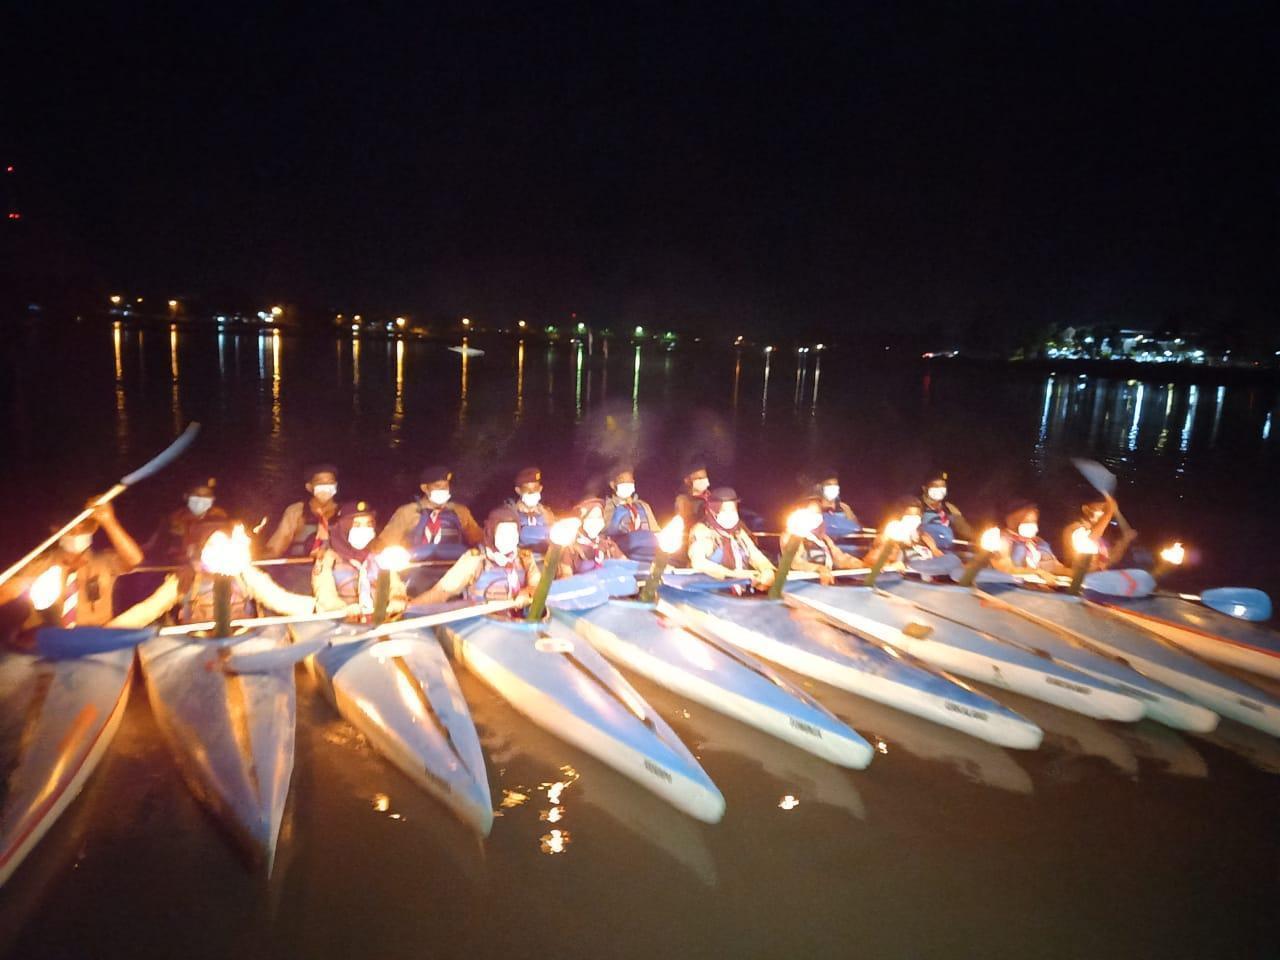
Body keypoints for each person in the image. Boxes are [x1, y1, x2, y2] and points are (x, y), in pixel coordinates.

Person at [112, 520, 316, 627]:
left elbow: (282, 600)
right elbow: (147, 610)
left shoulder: (246, 574)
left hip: (241, 636)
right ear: (201, 550)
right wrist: (108, 631)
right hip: (196, 639)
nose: (219, 552)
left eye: (223, 544)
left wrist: (319, 609)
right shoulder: (184, 580)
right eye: (212, 545)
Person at [0, 502, 145, 636]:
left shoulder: (105, 561)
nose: (77, 532)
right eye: (71, 527)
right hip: (47, 640)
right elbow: (5, 593)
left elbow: (134, 559)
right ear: (56, 530)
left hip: (95, 639)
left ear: (94, 529)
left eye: (85, 527)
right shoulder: (38, 564)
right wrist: (18, 587)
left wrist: (109, 521)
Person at [412, 507, 542, 605]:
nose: (509, 539)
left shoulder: (525, 557)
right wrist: (411, 607)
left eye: (513, 533)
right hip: (483, 622)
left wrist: (527, 592)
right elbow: (442, 592)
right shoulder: (474, 559)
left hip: (518, 621)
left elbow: (537, 585)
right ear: (491, 534)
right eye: (503, 533)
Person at [314, 502, 408, 620]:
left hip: (382, 620)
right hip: (341, 622)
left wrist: (396, 600)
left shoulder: (380, 554)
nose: (364, 530)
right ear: (344, 526)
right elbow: (325, 597)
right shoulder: (328, 557)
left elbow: (395, 585)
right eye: (357, 525)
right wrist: (344, 609)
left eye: (368, 524)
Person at [374, 465, 483, 560]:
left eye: (446, 486)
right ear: (425, 488)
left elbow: (478, 539)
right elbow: (385, 543)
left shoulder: (460, 511)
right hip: (413, 568)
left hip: (454, 568)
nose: (443, 489)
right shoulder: (407, 512)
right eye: (437, 486)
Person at [687, 487, 775, 589]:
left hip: (741, 591)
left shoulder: (739, 532)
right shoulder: (703, 531)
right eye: (724, 510)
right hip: (711, 590)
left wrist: (767, 570)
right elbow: (699, 562)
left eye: (732, 510)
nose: (730, 514)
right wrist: (733, 575)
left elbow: (756, 555)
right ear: (713, 511)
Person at [263, 464, 341, 559]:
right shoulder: (296, 511)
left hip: (335, 566)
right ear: (309, 487)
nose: (325, 486)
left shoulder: (344, 512)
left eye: (330, 482)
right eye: (320, 482)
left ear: (335, 485)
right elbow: (277, 545)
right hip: (299, 565)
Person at [143, 478, 227, 563]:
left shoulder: (221, 519)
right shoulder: (173, 520)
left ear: (213, 498)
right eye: (196, 494)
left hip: (212, 566)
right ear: (186, 496)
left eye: (206, 495)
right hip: (178, 566)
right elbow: (155, 547)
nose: (201, 499)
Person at [782, 498, 865, 584]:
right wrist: (819, 568)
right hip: (802, 584)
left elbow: (840, 558)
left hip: (825, 583)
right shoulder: (792, 536)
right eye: (811, 513)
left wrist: (863, 564)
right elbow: (794, 563)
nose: (816, 516)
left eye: (818, 513)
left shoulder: (824, 539)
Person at [993, 502, 1070, 583]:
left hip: (1040, 587)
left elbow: (1055, 567)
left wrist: (1074, 574)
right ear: (1014, 521)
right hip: (1012, 587)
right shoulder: (1001, 541)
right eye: (1027, 521)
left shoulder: (1039, 542)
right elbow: (1006, 569)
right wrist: (1038, 572)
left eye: (1034, 521)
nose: (1032, 525)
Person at [1061, 494, 1137, 570]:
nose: (1104, 513)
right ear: (1086, 509)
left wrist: (1124, 541)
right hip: (1077, 577)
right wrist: (1109, 512)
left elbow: (1107, 561)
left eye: (1106, 509)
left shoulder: (1099, 537)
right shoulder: (1074, 529)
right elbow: (1090, 539)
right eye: (1103, 509)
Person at [558, 499, 627, 577]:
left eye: (599, 517)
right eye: (590, 517)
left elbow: (626, 565)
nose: (595, 521)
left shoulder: (607, 544)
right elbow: (565, 576)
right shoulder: (570, 548)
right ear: (582, 520)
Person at [869, 501, 942, 567]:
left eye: (916, 514)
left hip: (922, 561)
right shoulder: (893, 527)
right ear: (902, 514)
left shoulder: (919, 532)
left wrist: (934, 549)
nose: (914, 517)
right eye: (910, 514)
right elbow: (881, 546)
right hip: (901, 562)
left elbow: (925, 536)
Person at [919, 471, 974, 550]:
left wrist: (976, 538)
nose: (939, 489)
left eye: (943, 486)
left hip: (946, 550)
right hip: (922, 549)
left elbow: (964, 529)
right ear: (924, 488)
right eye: (935, 486)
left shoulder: (949, 508)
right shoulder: (917, 506)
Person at [506, 467, 556, 549]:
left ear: (540, 489)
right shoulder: (509, 513)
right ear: (518, 490)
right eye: (526, 489)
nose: (531, 492)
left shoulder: (546, 513)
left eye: (535, 488)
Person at [603, 466, 658, 537]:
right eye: (622, 481)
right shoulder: (606, 507)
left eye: (630, 481)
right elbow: (603, 534)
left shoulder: (643, 506)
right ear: (612, 484)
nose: (627, 484)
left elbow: (655, 530)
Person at [813, 470, 861, 539]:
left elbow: (858, 529)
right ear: (820, 487)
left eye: (835, 485)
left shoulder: (844, 508)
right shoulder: (814, 507)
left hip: (847, 543)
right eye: (829, 484)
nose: (833, 487)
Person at [674, 460, 712, 532]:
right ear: (687, 481)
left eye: (705, 478)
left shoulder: (710, 496)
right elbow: (687, 525)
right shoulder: (683, 500)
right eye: (700, 478)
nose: (705, 481)